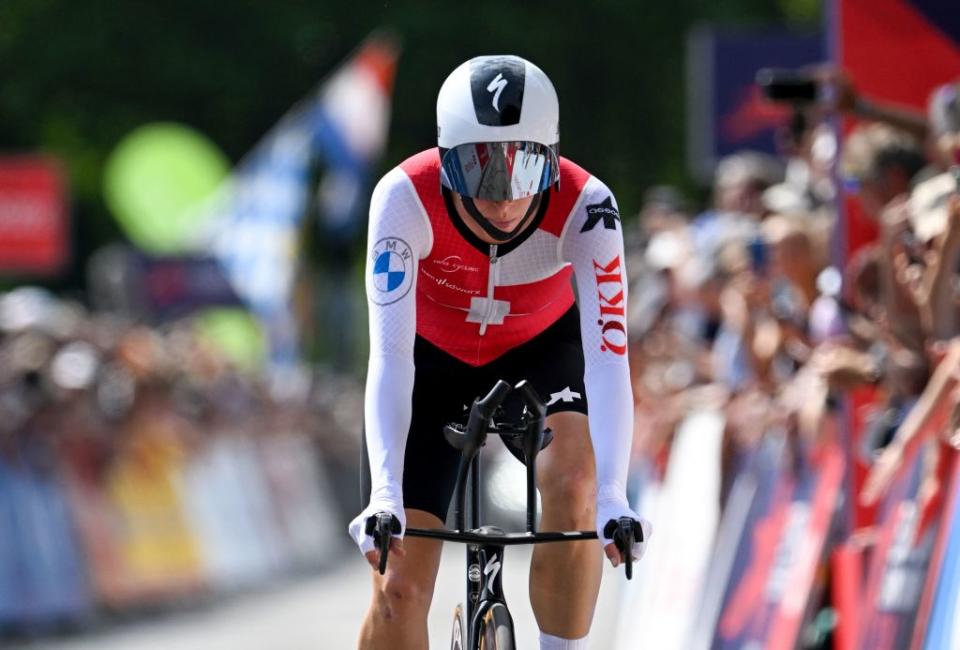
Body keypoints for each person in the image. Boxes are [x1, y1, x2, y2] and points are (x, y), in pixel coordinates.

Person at [348, 55, 652, 650]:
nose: (505, 198)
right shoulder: (402, 198)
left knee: (574, 481)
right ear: (443, 161)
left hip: (539, 352)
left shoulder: (589, 206)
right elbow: (388, 359)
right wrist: (386, 494)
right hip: (428, 363)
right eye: (480, 172)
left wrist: (613, 493)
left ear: (553, 155)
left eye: (525, 169)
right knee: (399, 590)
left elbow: (609, 357)